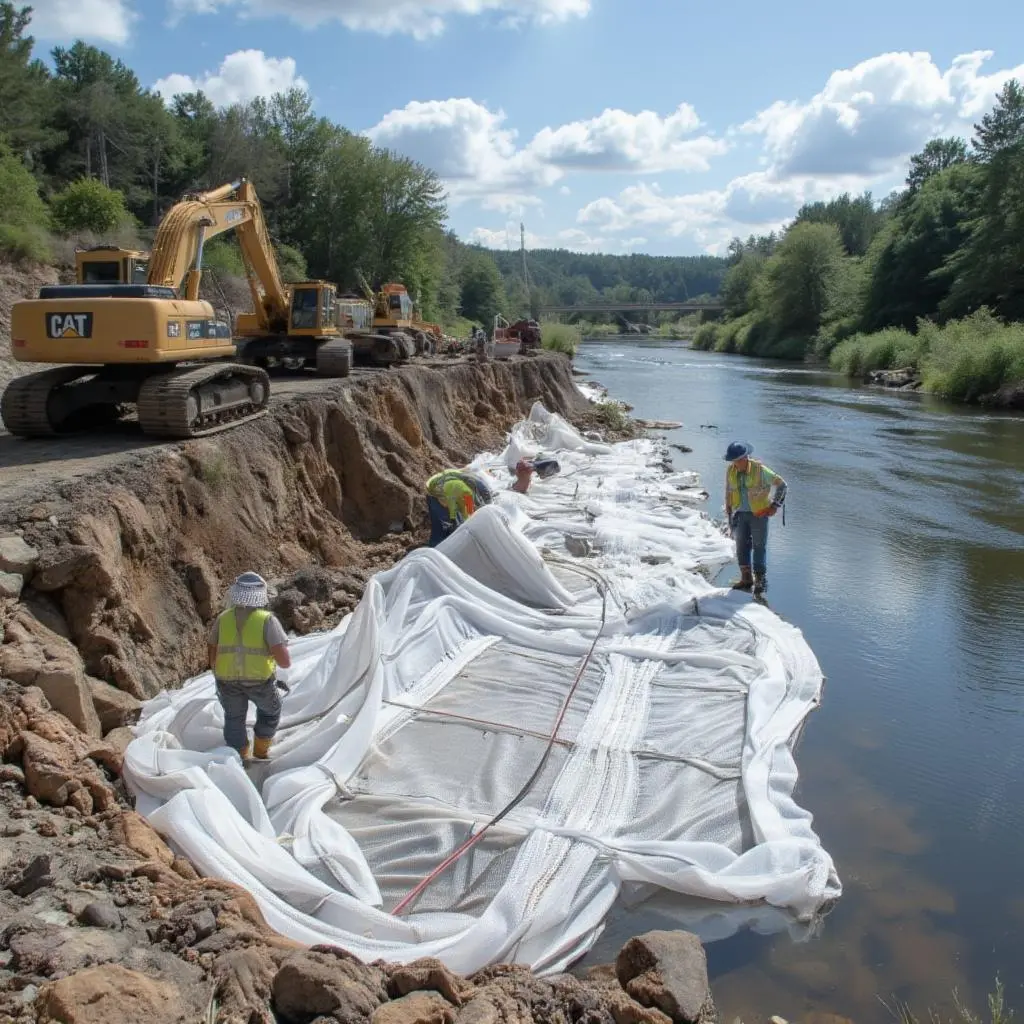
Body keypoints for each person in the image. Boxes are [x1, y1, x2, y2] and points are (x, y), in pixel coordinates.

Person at [209, 572, 291, 759]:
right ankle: (261, 751)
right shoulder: (266, 619)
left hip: (227, 681)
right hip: (259, 681)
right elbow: (284, 662)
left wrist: (217, 669)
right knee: (271, 711)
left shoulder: (224, 618)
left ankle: (239, 756)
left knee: (234, 718)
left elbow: (212, 646)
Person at [723, 442, 787, 597]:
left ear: (745, 458)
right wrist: (729, 509)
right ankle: (746, 579)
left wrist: (774, 506)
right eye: (733, 461)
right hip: (740, 513)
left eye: (737, 460)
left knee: (759, 546)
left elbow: (782, 485)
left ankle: (759, 580)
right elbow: (728, 489)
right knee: (741, 546)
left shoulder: (760, 470)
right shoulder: (730, 470)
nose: (735, 463)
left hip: (759, 514)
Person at [425, 468, 494, 546]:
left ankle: (439, 544)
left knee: (445, 524)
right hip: (437, 493)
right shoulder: (469, 491)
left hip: (435, 488)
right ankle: (441, 547)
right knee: (446, 524)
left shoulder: (467, 479)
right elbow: (468, 515)